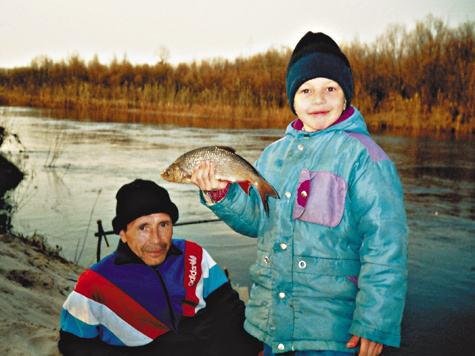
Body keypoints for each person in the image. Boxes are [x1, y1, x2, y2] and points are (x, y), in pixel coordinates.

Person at [191, 32, 408, 356]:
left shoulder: (365, 157)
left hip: (334, 334)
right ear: (293, 98)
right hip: (271, 325)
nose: (318, 99)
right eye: (306, 90)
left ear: (346, 95)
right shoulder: (273, 155)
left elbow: (387, 246)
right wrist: (222, 194)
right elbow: (257, 221)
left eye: (330, 89)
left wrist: (375, 322)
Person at [58, 179, 263, 356]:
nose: (156, 240)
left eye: (163, 225)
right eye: (143, 227)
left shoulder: (194, 255)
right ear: (122, 232)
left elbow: (230, 311)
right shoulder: (94, 283)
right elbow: (73, 344)